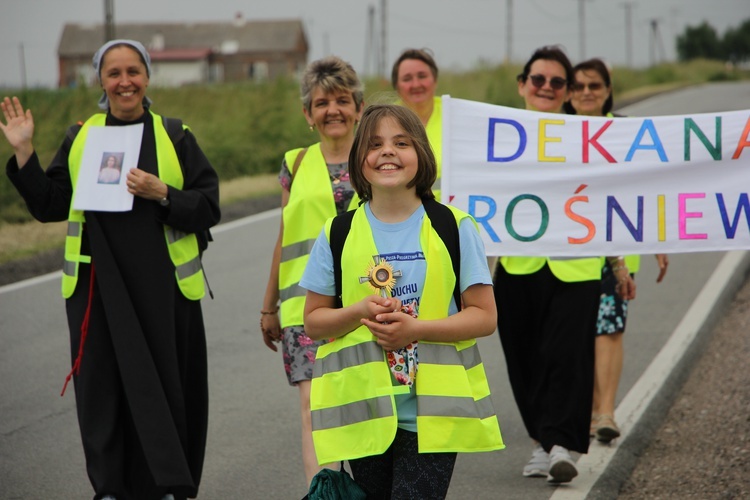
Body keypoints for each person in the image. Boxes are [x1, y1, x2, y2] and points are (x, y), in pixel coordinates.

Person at [0, 39, 220, 500]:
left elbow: (207, 207)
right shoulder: (80, 136)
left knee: (166, 387)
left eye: (133, 71)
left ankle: (167, 485)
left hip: (164, 290)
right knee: (102, 390)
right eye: (114, 72)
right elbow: (49, 204)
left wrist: (163, 193)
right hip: (97, 288)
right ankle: (110, 489)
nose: (125, 82)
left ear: (147, 77)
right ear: (100, 80)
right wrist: (24, 153)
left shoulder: (175, 134)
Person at [300, 104, 504, 498]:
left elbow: (484, 316)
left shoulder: (455, 226)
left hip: (434, 416)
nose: (387, 152)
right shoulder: (337, 233)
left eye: (401, 142)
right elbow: (314, 321)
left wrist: (416, 330)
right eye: (374, 144)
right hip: (365, 410)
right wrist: (359, 312)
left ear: (422, 155)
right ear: (359, 161)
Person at [493, 46, 636, 484]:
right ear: (523, 85)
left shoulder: (586, 138)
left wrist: (618, 264)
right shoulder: (495, 136)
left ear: (567, 92)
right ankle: (540, 440)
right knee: (524, 359)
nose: (548, 88)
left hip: (576, 267)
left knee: (568, 356)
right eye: (539, 80)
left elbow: (602, 204)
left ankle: (562, 444)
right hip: (516, 268)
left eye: (558, 82)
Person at [259, 55, 364, 487]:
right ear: (308, 113)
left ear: (358, 106)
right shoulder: (295, 163)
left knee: (364, 406)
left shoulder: (379, 156)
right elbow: (286, 236)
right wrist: (269, 308)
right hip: (307, 310)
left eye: (342, 100)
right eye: (322, 103)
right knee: (314, 408)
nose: (333, 110)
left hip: (369, 304)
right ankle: (324, 493)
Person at [566, 57, 670, 443]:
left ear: (608, 90)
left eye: (595, 85)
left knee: (608, 327)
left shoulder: (629, 134)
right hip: (568, 250)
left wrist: (658, 238)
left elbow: (647, 187)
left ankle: (605, 412)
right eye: (579, 86)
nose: (587, 93)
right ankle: (589, 409)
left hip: (620, 248)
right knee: (578, 330)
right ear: (568, 92)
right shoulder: (552, 133)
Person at [391, 48, 443, 198]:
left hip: (450, 215)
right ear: (397, 86)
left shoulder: (456, 116)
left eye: (422, 76)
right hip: (400, 213)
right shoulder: (384, 121)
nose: (416, 84)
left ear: (435, 80)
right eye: (407, 79)